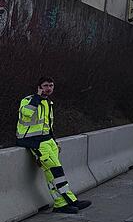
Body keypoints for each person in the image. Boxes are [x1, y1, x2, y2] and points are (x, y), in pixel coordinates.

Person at [16, 77, 92, 214]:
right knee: (56, 171)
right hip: (35, 141)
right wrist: (37, 97)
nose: (49, 88)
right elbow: (26, 114)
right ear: (39, 87)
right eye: (45, 85)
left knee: (53, 174)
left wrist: (54, 141)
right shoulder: (28, 100)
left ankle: (61, 203)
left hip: (47, 141)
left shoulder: (48, 103)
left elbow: (47, 125)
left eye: (51, 85)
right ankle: (70, 200)